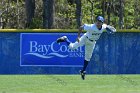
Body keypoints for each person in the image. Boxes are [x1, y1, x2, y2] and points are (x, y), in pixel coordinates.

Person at [56, 16, 116, 80]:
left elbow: (109, 28)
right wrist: (78, 37)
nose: (98, 23)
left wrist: (111, 28)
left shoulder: (104, 26)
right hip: (85, 38)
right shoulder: (91, 26)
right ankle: (65, 39)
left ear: (102, 23)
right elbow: (81, 27)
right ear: (96, 21)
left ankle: (83, 71)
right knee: (72, 47)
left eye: (100, 22)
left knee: (88, 57)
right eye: (97, 21)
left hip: (92, 42)